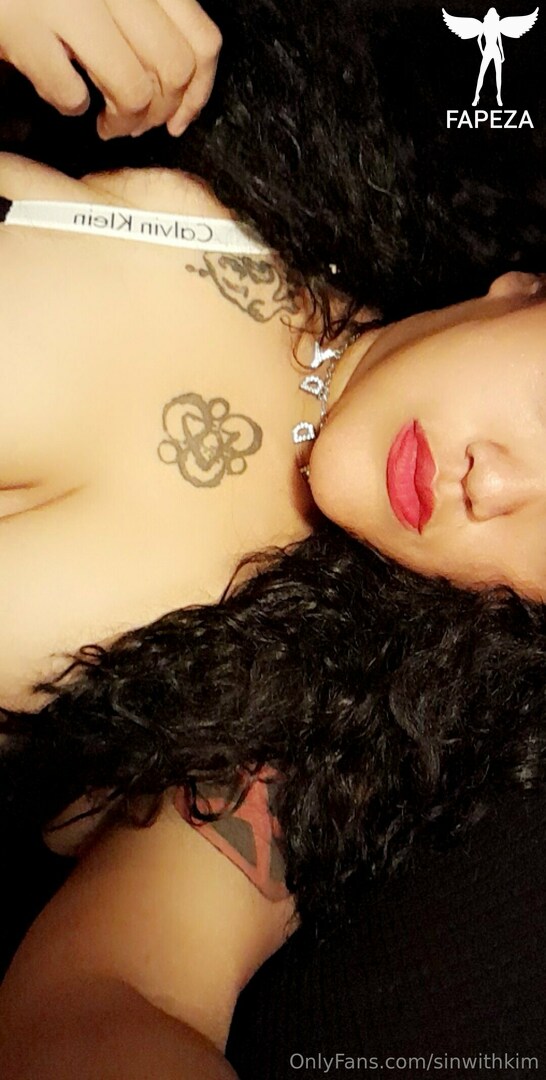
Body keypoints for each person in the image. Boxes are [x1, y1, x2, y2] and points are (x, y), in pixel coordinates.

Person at [0, 2, 545, 1076]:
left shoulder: (314, 734)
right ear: (524, 291)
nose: (498, 483)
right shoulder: (240, 147)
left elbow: (106, 995)